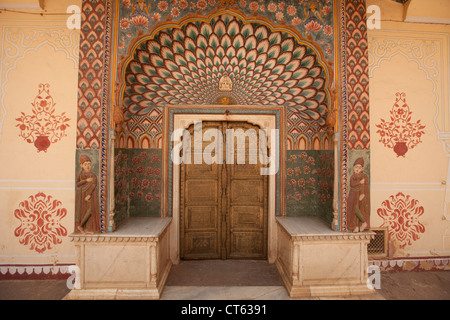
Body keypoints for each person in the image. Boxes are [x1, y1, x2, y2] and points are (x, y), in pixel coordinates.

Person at [75, 155, 100, 234]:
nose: (88, 166)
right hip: (81, 195)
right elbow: (77, 184)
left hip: (90, 195)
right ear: (81, 165)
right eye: (85, 164)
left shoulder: (93, 175)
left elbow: (94, 184)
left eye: (89, 164)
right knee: (82, 211)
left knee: (91, 210)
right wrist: (86, 180)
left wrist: (89, 195)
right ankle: (82, 227)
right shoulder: (80, 174)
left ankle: (87, 227)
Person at [347, 157, 370, 232]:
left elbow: (365, 187)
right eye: (356, 167)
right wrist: (360, 182)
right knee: (353, 209)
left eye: (359, 167)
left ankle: (362, 223)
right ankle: (356, 226)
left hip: (360, 195)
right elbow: (352, 185)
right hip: (353, 195)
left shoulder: (364, 176)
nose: (357, 169)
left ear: (362, 169)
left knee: (359, 209)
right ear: (353, 168)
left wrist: (363, 195)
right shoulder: (352, 177)